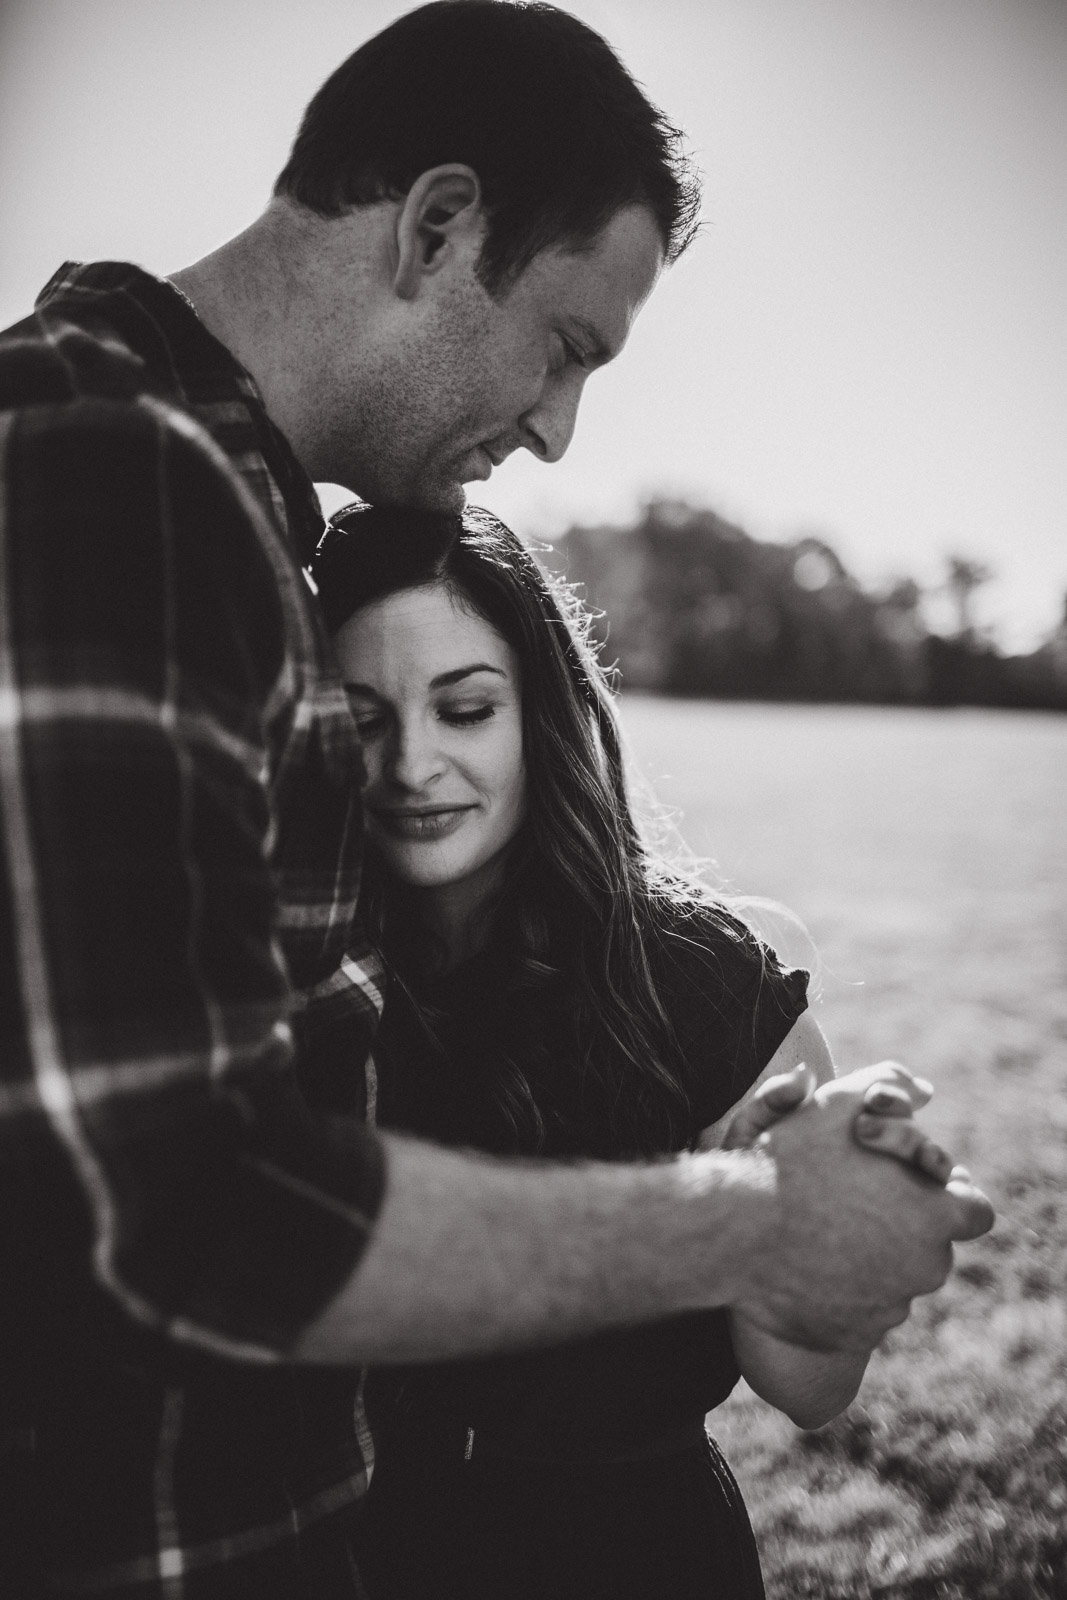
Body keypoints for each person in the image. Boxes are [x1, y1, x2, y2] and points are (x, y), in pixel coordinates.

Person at [0, 2, 991, 1593]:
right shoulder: (122, 473)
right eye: (564, 345)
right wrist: (747, 1222)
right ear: (438, 225)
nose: (553, 422)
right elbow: (171, 1209)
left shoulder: (213, 498)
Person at [309, 501, 962, 1599]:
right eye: (362, 716)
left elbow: (812, 1389)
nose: (410, 764)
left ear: (541, 712)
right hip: (363, 1556)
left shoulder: (695, 974)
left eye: (464, 708)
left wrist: (797, 1234)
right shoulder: (306, 968)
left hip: (627, 1554)